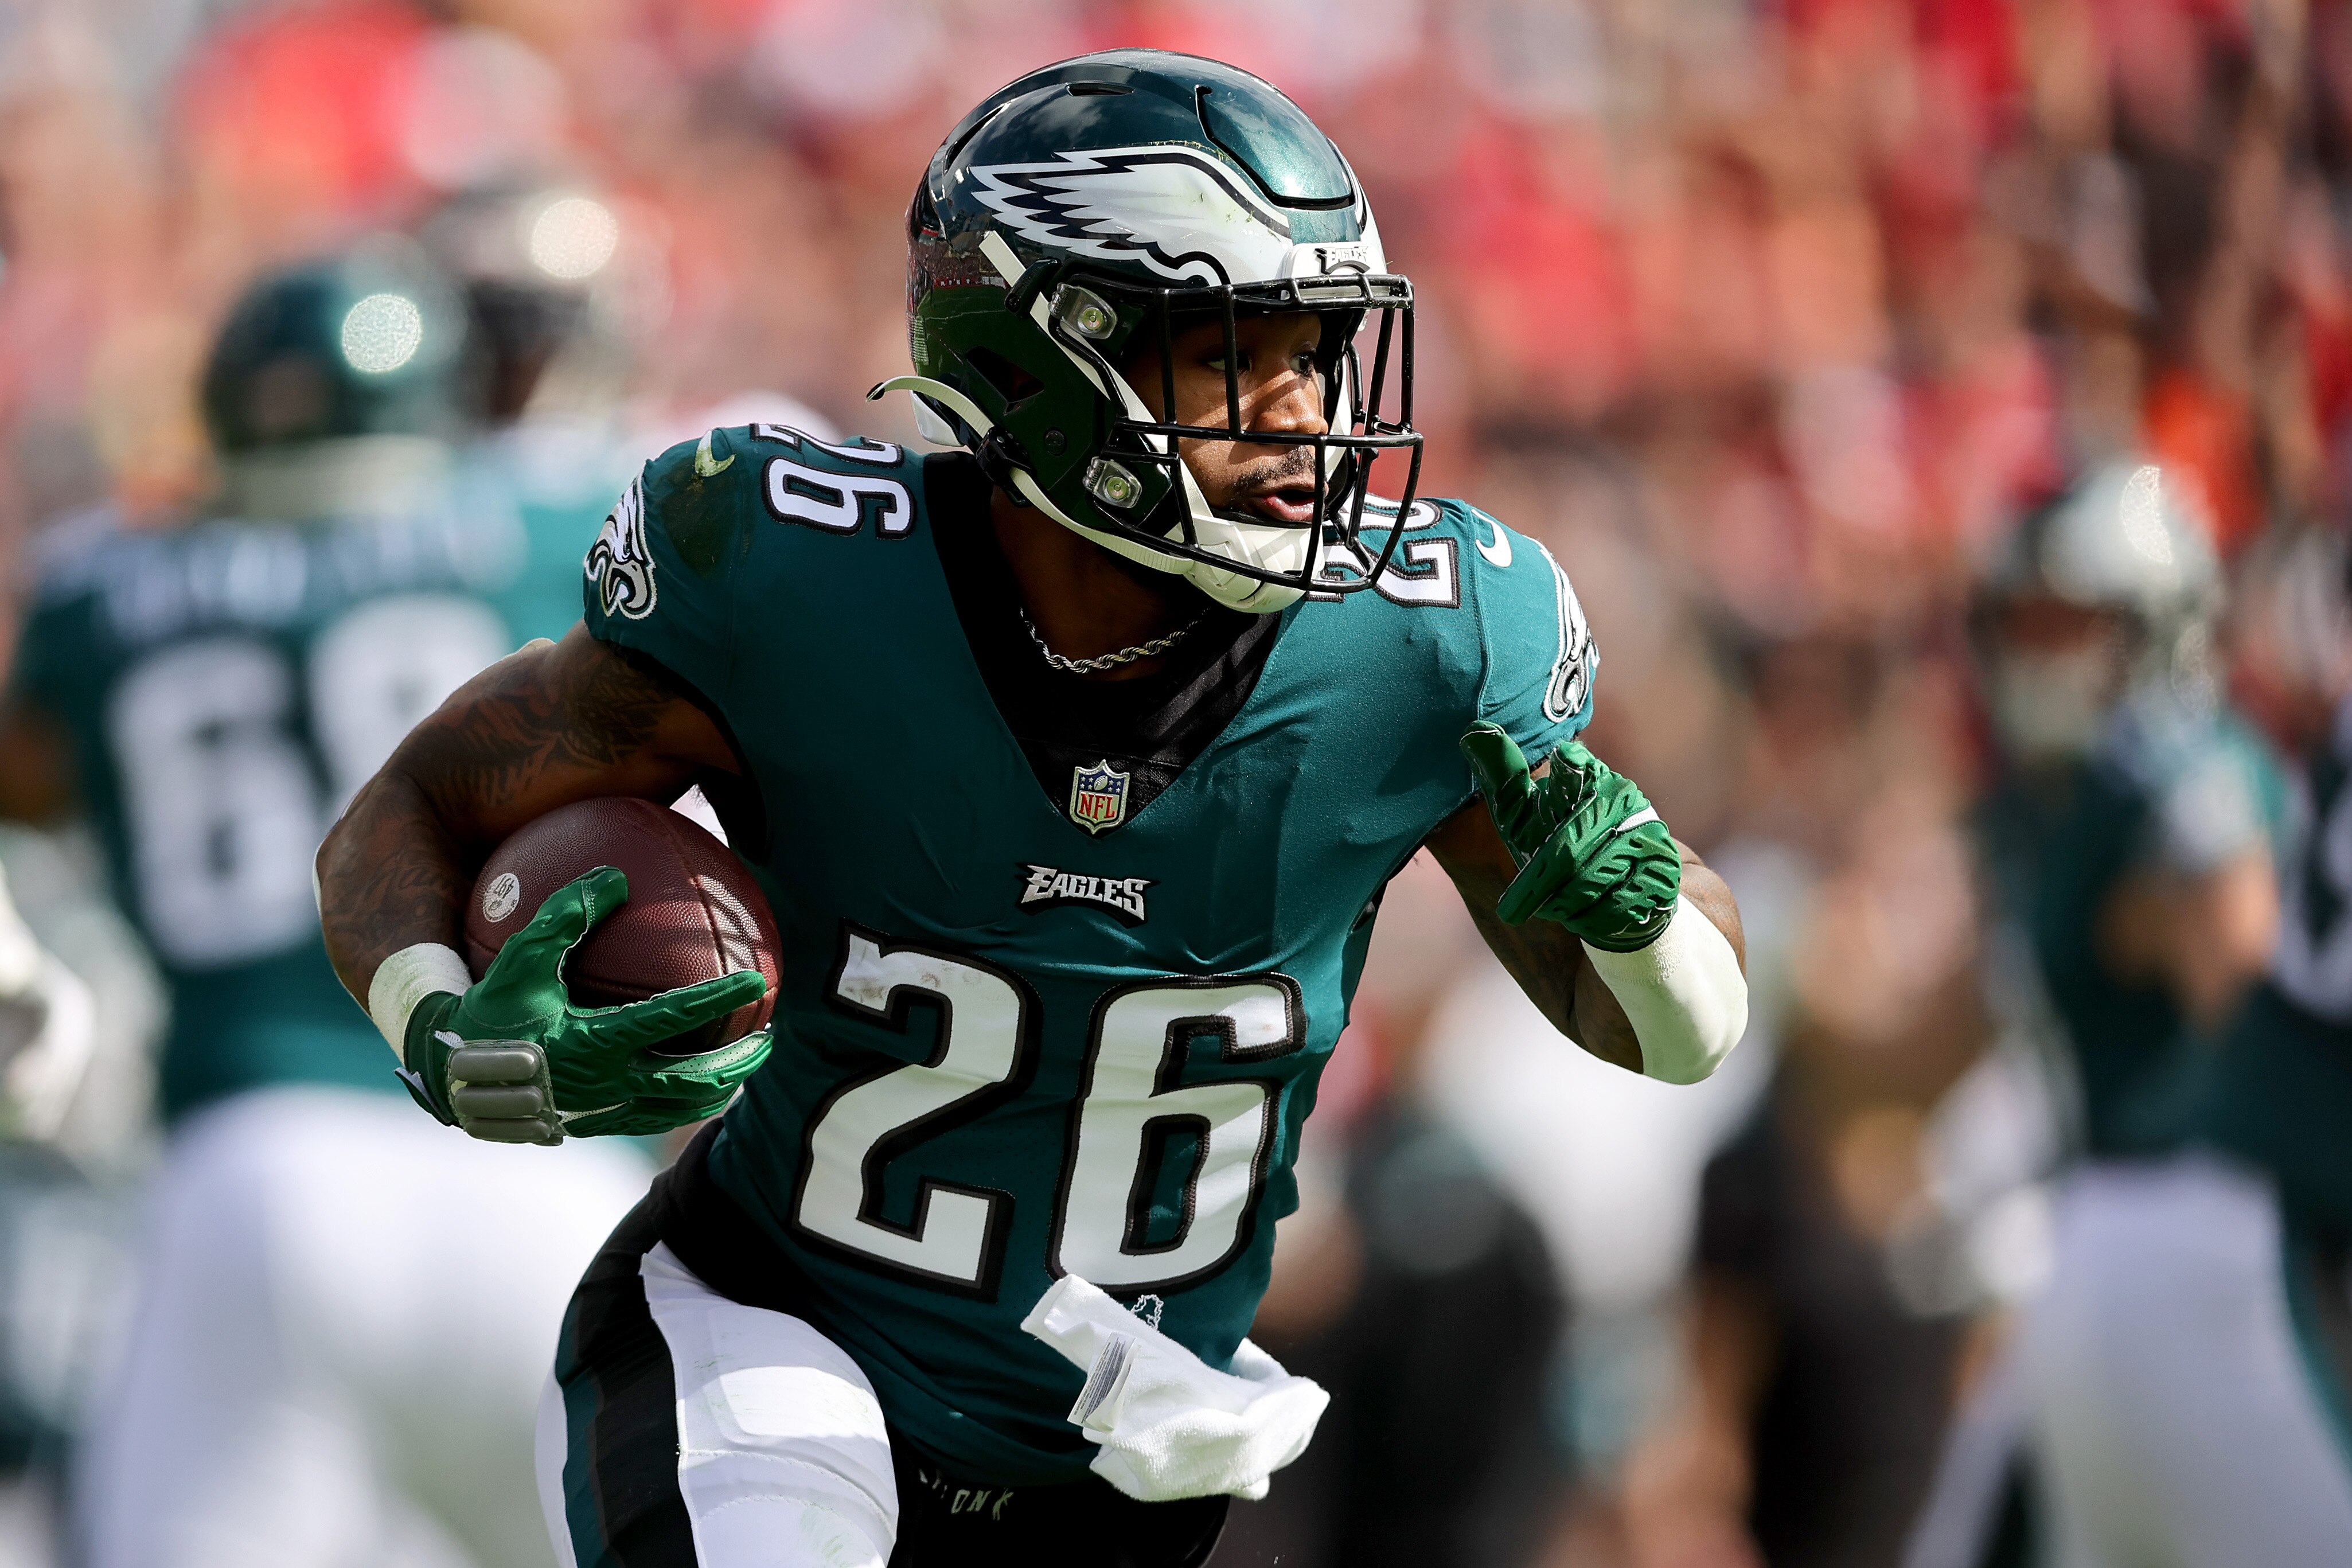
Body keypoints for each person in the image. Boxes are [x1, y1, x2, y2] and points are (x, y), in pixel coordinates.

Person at [313, 50, 1751, 1568]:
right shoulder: (799, 581)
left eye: (1318, 352)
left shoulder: (1426, 639)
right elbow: (412, 805)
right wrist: (433, 1016)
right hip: (776, 1345)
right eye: (1229, 353)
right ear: (1045, 360)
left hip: (1131, 1449)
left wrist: (1649, 910)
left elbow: (1671, 1031)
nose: (1298, 411)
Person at [0, 244, 653, 1568]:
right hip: (547, 1168)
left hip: (248, 1172)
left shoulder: (96, 590)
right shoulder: (549, 519)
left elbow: (27, 785)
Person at [1927, 460, 2297, 1567]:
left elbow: (2248, 1000)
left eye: (2070, 617)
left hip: (2197, 1246)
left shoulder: (2180, 777)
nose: (2041, 651)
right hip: (2113, 1237)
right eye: (2024, 620)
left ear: (2158, 620)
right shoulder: (2062, 794)